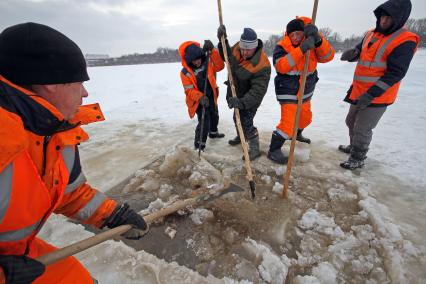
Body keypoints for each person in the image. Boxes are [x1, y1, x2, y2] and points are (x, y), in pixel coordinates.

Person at [0, 22, 149, 283]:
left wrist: (111, 214)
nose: (85, 92)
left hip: (19, 258)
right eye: (79, 82)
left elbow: (68, 193)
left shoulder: (54, 131)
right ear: (50, 84)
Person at [339, 0, 420, 170]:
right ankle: (353, 146)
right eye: (382, 17)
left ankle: (358, 157)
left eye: (389, 19)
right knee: (350, 121)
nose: (383, 21)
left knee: (362, 127)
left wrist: (371, 94)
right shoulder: (371, 33)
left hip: (378, 94)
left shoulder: (405, 40)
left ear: (399, 19)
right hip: (359, 89)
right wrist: (353, 53)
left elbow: (396, 73)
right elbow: (361, 51)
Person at [268, 17, 335, 164]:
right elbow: (281, 66)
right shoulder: (281, 46)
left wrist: (318, 40)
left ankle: (296, 134)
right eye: (292, 35)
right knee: (288, 124)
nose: (296, 37)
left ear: (303, 33)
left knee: (305, 118)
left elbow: (328, 56)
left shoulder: (312, 41)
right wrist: (301, 49)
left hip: (306, 91)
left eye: (298, 34)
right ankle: (273, 150)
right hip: (288, 92)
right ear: (287, 35)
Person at [217, 26, 271, 160]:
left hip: (250, 99)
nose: (244, 52)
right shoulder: (237, 48)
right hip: (237, 92)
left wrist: (242, 102)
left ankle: (254, 148)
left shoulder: (262, 64)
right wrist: (222, 41)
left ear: (255, 47)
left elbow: (257, 92)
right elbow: (227, 56)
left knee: (246, 121)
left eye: (248, 50)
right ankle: (241, 136)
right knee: (237, 117)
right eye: (243, 49)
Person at [178, 40, 225, 151]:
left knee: (214, 115)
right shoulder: (185, 72)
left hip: (210, 94)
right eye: (194, 61)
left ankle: (213, 133)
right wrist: (200, 97)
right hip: (198, 100)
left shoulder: (207, 63)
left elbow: (220, 66)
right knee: (204, 121)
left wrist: (212, 51)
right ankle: (199, 145)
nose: (197, 62)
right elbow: (189, 91)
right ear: (189, 60)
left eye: (198, 59)